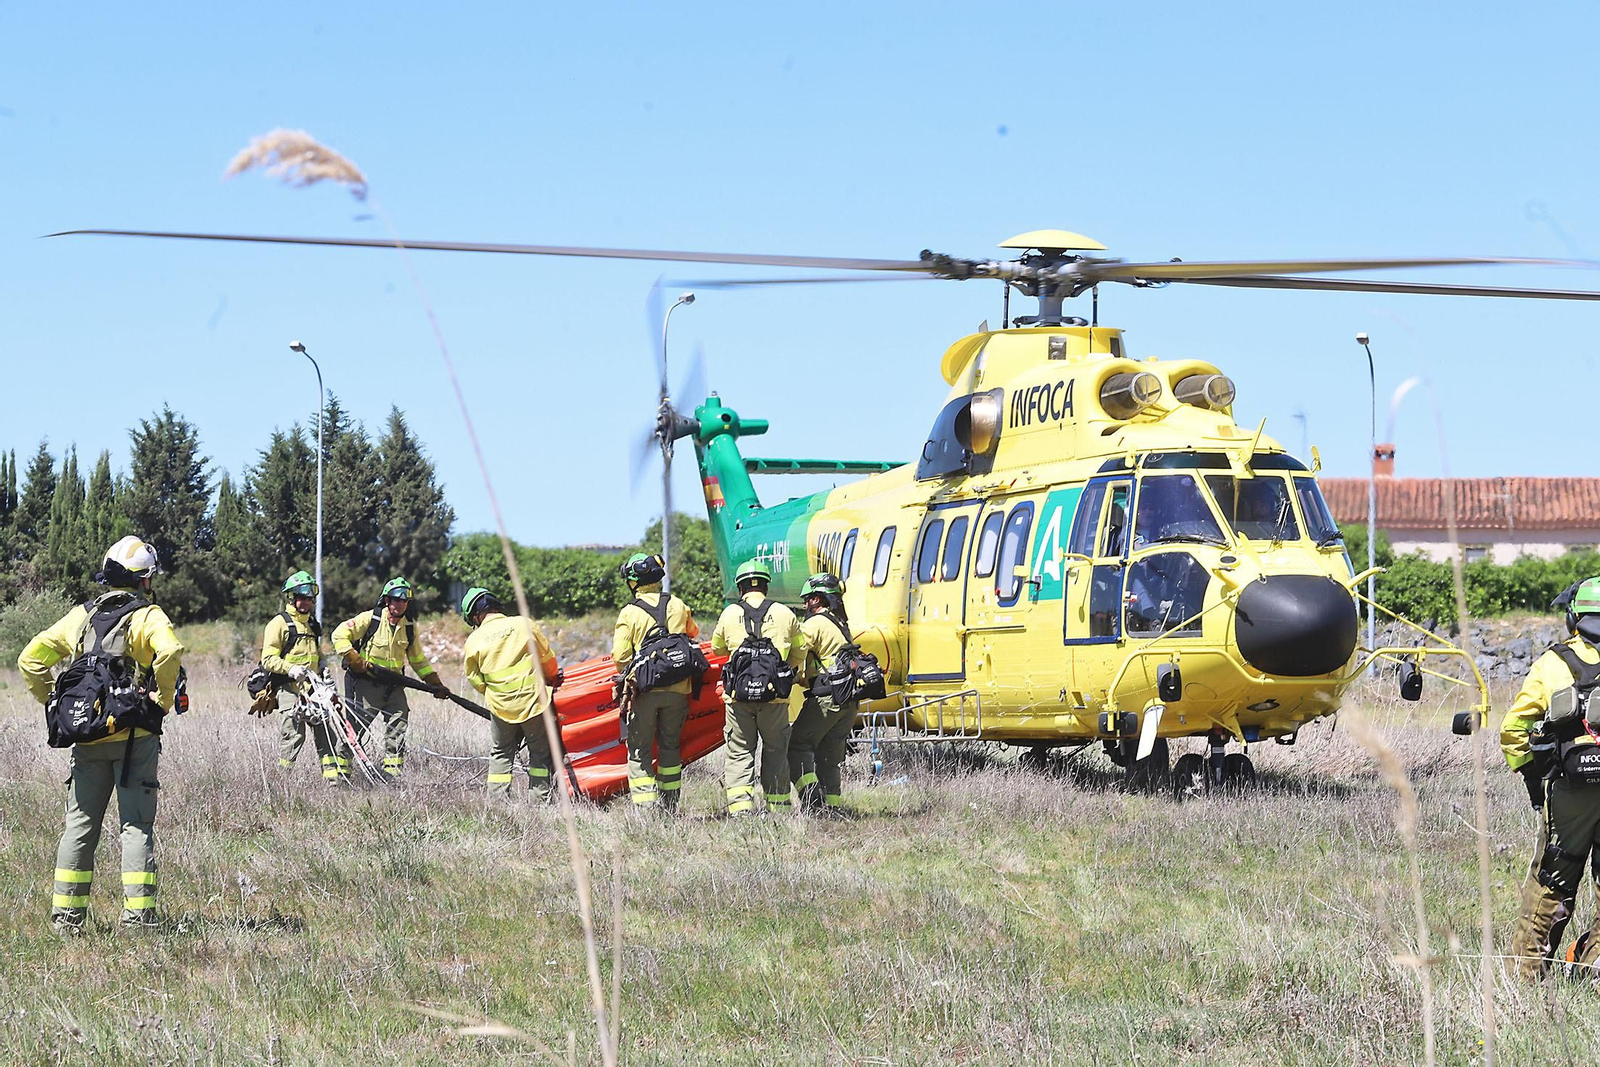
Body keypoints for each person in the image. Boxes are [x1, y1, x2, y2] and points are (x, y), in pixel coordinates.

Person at [19, 536, 184, 933]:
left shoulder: (80, 616)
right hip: (134, 740)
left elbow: (30, 659)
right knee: (135, 827)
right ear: (144, 580)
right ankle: (138, 919)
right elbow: (171, 653)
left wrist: (53, 704)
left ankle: (66, 919)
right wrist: (160, 702)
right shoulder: (148, 616)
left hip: (87, 738)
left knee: (79, 825)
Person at [1502, 575, 1600, 979]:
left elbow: (1513, 730)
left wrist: (1533, 781)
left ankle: (1526, 974)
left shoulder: (1553, 662)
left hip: (1570, 792)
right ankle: (1593, 966)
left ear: (1574, 617)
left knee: (1551, 883)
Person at [710, 559, 802, 816]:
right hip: (776, 699)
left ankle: (741, 809)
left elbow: (717, 648)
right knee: (775, 750)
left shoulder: (729, 613)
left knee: (739, 751)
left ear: (740, 587)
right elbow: (800, 651)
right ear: (766, 585)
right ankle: (779, 809)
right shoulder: (786, 613)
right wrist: (785, 674)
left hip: (738, 698)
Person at [332, 577, 447, 780]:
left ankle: (392, 776)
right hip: (368, 684)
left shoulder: (409, 626)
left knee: (398, 725)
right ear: (386, 600)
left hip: (394, 686)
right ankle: (341, 775)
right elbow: (339, 635)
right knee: (355, 727)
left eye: (403, 601)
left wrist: (434, 683)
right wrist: (353, 658)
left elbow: (417, 659)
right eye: (394, 600)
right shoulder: (371, 619)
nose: (399, 604)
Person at [611, 553, 700, 811]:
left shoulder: (629, 613)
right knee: (670, 746)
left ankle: (646, 810)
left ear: (633, 582)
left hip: (644, 691)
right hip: (679, 689)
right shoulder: (677, 604)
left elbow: (620, 657)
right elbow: (692, 633)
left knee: (639, 751)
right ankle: (670, 806)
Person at [461, 587, 563, 801]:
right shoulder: (524, 624)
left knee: (501, 753)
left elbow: (473, 677)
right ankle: (539, 799)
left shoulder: (474, 640)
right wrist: (551, 678)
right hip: (533, 703)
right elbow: (548, 660)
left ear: (475, 616)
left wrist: (491, 693)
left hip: (500, 708)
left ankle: (498, 802)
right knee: (540, 752)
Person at [264, 570, 347, 781]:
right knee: (294, 734)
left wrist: (326, 674)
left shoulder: (313, 625)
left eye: (310, 596)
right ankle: (281, 781)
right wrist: (291, 669)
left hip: (313, 690)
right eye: (301, 596)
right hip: (288, 688)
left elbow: (317, 656)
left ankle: (333, 782)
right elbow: (268, 659)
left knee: (326, 734)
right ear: (291, 597)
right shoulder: (279, 623)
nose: (306, 601)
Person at [789, 572, 859, 815]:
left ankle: (813, 802)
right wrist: (801, 678)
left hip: (828, 697)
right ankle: (833, 808)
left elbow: (796, 651)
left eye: (807, 599)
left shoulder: (814, 624)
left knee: (796, 746)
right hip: (849, 700)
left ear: (818, 600)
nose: (805, 605)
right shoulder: (841, 624)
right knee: (829, 755)